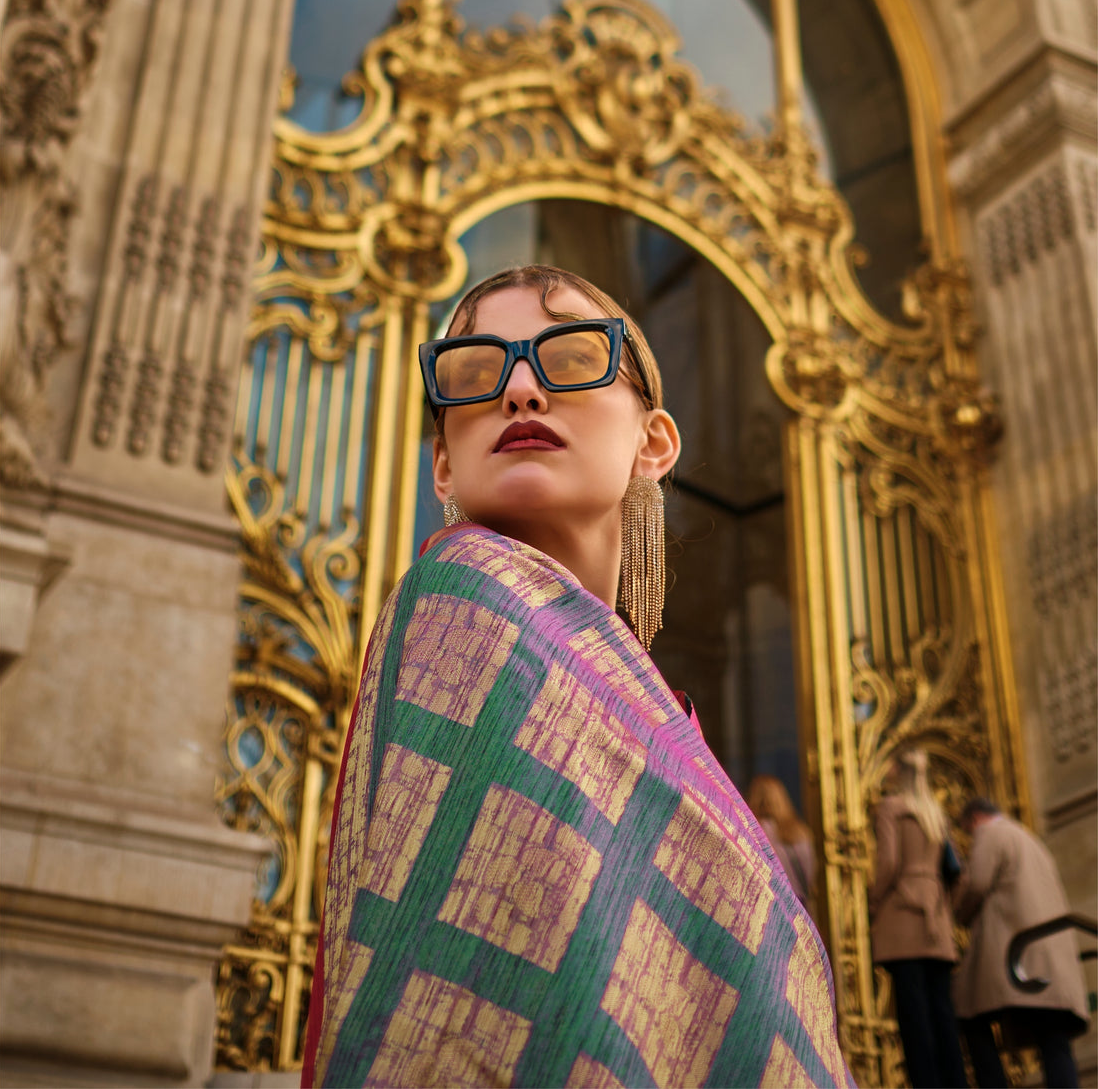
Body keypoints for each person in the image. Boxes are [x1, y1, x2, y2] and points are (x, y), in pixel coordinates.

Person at [302, 265, 853, 1088]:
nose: (520, 388)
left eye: (568, 356)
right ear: (442, 467)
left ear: (653, 441)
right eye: (476, 372)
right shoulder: (465, 601)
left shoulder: (669, 720)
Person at [953, 797, 1089, 1088]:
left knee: (968, 1013)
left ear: (974, 819)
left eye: (967, 830)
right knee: (1054, 1039)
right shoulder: (1030, 838)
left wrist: (957, 914)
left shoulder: (990, 833)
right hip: (1049, 955)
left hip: (1015, 951)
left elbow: (977, 883)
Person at [867, 749, 968, 1088]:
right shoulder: (935, 813)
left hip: (903, 912)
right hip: (936, 918)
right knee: (942, 1010)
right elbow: (955, 872)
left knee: (913, 1015)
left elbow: (889, 862)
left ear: (898, 769)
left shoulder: (891, 808)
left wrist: (873, 899)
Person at [747, 774, 817, 915]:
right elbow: (810, 874)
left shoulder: (752, 831)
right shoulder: (800, 832)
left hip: (769, 908)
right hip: (799, 905)